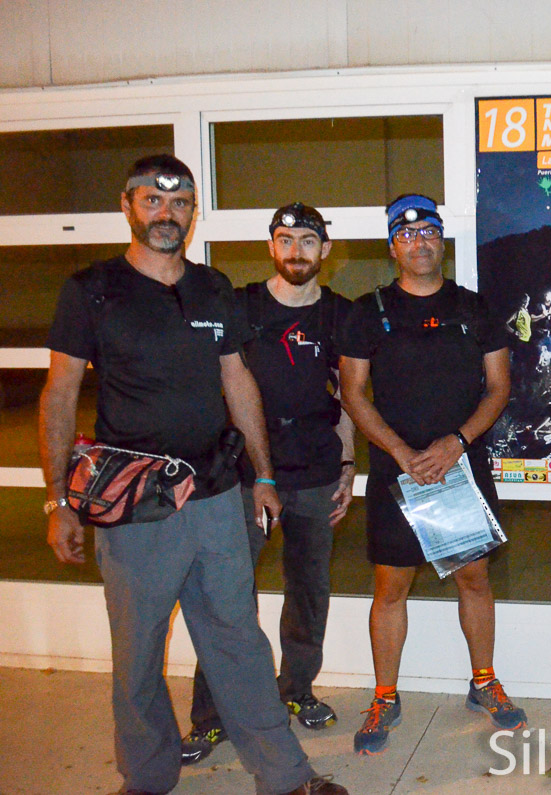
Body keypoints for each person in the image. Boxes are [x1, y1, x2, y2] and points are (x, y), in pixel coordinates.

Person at [38, 155, 346, 795]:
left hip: (216, 498)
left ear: (192, 213)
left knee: (239, 641)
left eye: (179, 203)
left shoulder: (212, 287)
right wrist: (57, 500)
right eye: (152, 200)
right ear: (127, 205)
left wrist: (263, 475)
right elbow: (60, 394)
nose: (166, 213)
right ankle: (147, 778)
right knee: (139, 652)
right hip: (134, 506)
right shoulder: (92, 289)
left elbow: (237, 379)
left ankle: (285, 776)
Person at [339, 193, 526, 757]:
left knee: (474, 579)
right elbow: (353, 393)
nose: (418, 242)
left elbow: (499, 388)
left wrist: (457, 443)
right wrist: (399, 451)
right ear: (392, 246)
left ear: (440, 241)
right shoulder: (366, 311)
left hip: (458, 468)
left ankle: (484, 682)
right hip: (398, 472)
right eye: (406, 234)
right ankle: (385, 696)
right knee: (390, 588)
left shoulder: (474, 308)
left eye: (428, 232)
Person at [181, 203, 356, 764]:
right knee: (227, 596)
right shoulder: (241, 306)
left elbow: (347, 395)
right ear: (270, 246)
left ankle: (297, 689)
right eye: (285, 239)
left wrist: (348, 466)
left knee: (309, 591)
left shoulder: (340, 314)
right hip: (242, 477)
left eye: (307, 240)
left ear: (325, 249)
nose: (295, 250)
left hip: (316, 474)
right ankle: (211, 715)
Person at [505, 293, 538, 387]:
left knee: (526, 362)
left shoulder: (526, 310)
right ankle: (516, 383)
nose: (527, 303)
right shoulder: (517, 312)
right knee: (519, 363)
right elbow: (506, 324)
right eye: (526, 301)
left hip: (527, 340)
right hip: (520, 341)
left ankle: (523, 382)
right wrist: (515, 332)